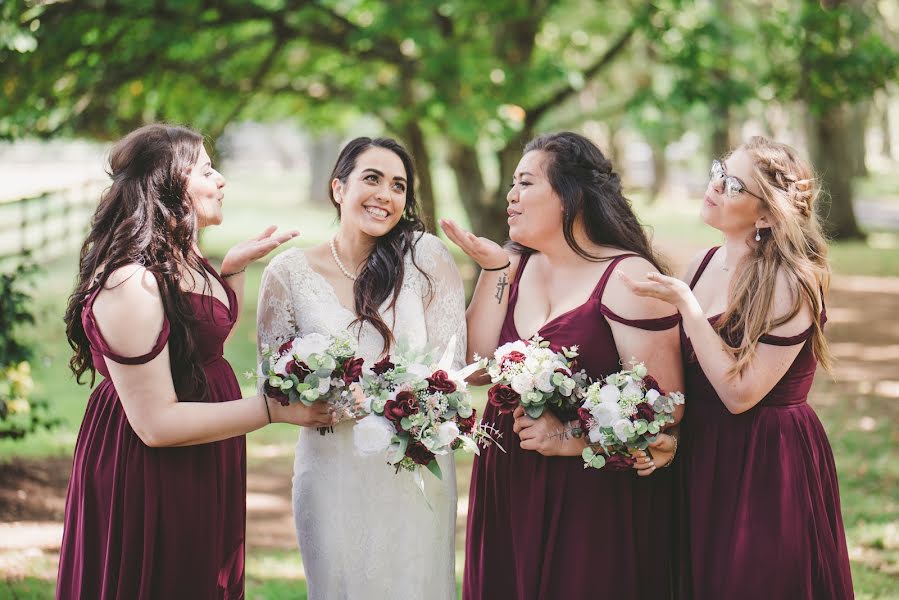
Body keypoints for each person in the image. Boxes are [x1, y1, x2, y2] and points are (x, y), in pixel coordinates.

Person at [57, 123, 325, 600]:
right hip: (149, 466)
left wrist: (233, 272)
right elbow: (156, 424)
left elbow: (204, 339)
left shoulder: (184, 256)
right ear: (165, 183)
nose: (221, 179)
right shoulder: (130, 284)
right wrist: (272, 410)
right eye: (206, 169)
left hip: (206, 448)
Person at [442, 131, 683, 599]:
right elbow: (473, 365)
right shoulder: (512, 264)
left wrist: (571, 438)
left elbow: (666, 408)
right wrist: (492, 272)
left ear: (570, 197)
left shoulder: (627, 277)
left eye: (526, 183)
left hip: (590, 496)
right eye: (513, 183)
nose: (511, 196)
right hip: (508, 478)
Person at [621, 136, 854, 599]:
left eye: (733, 184)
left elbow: (741, 393)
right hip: (701, 453)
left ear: (766, 214)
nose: (714, 186)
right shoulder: (702, 263)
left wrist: (688, 308)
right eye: (718, 171)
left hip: (765, 459)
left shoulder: (790, 282)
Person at [256, 136, 467, 599]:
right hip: (330, 473)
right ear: (338, 188)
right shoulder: (288, 273)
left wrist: (412, 406)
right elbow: (272, 384)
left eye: (398, 185)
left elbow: (453, 370)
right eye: (372, 179)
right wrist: (317, 399)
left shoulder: (425, 258)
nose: (385, 195)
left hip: (414, 473)